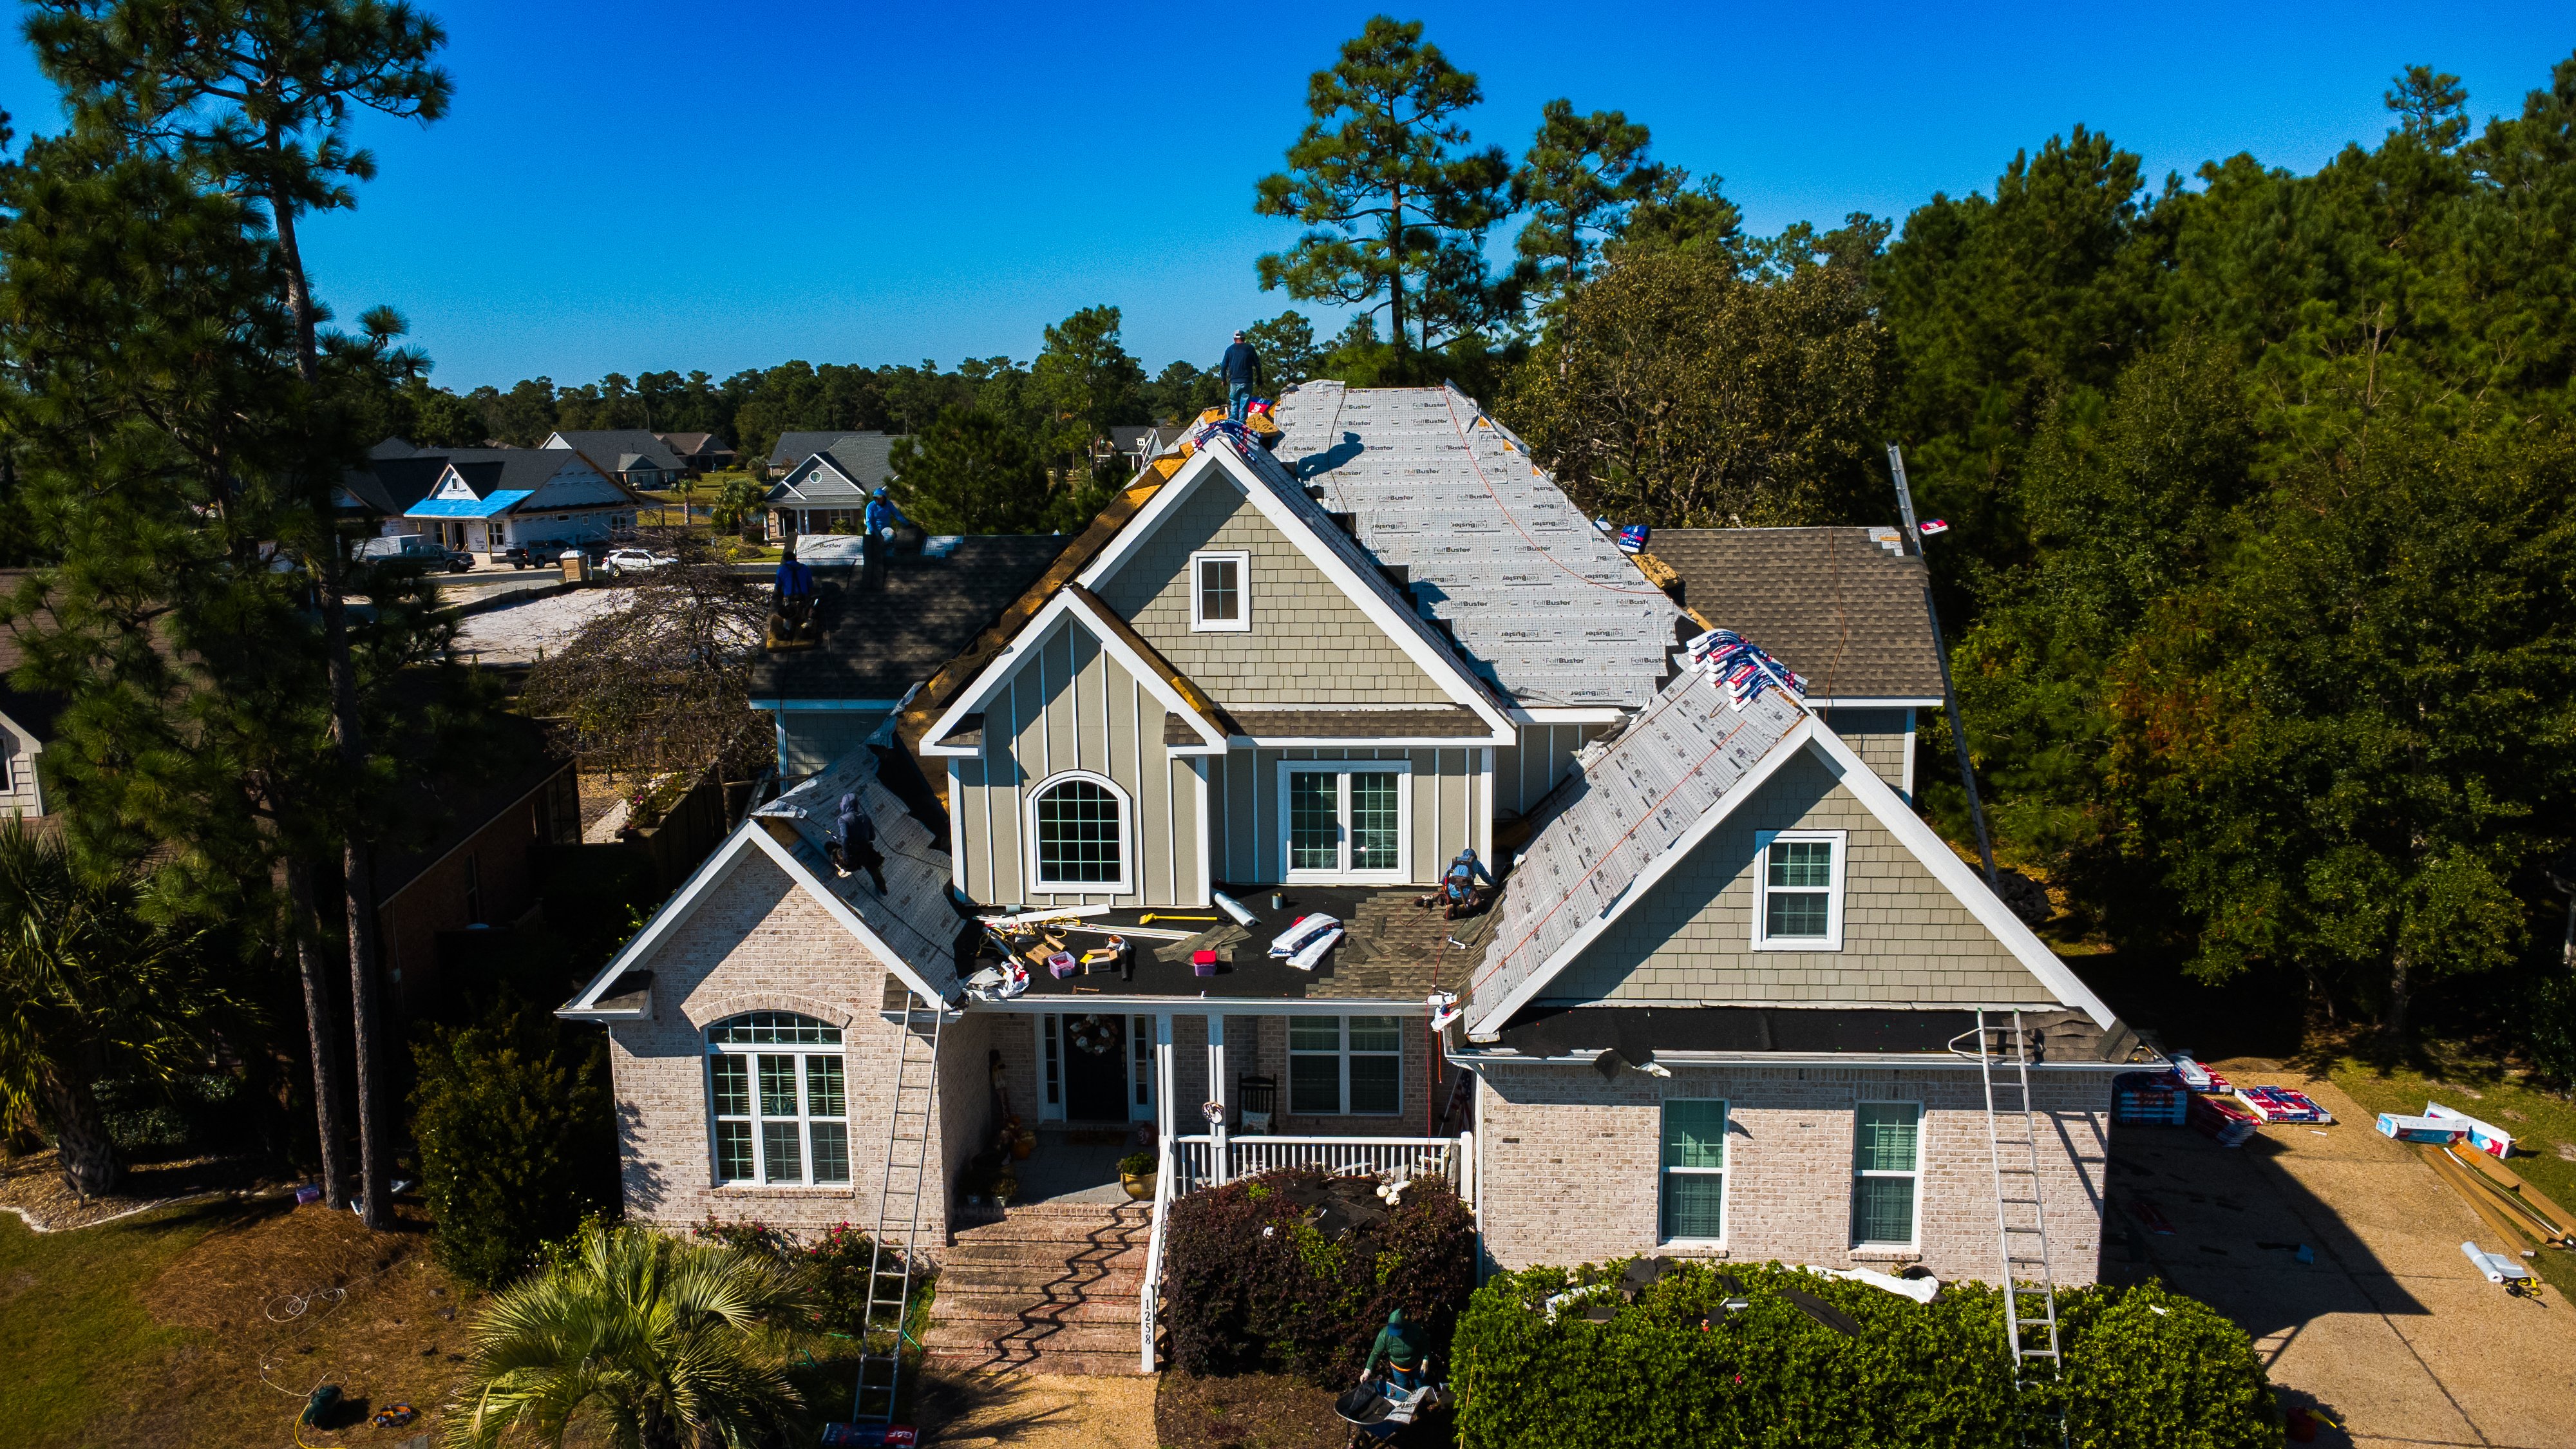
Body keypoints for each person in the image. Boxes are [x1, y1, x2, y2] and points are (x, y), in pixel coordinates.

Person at [827, 790, 886, 892]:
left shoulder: (843, 819)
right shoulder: (866, 817)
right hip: (866, 850)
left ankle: (843, 869)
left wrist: (846, 857)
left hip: (852, 853)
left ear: (845, 805)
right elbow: (872, 837)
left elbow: (845, 838)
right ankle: (883, 891)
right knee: (874, 871)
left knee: (829, 846)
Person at [860, 485, 906, 591]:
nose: (878, 500)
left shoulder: (889, 504)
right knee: (871, 539)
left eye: (880, 498)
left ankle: (881, 545)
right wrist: (875, 533)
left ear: (884, 498)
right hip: (873, 530)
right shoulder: (871, 506)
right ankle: (877, 545)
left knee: (891, 534)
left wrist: (907, 523)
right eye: (876, 498)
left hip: (885, 530)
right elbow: (869, 522)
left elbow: (897, 515)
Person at [1220, 329, 1264, 424]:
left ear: (1234, 339)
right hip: (1247, 381)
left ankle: (1233, 420)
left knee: (1234, 401)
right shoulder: (1250, 348)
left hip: (1234, 381)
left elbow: (1224, 366)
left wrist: (1223, 379)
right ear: (1244, 338)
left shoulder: (1229, 350)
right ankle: (1242, 422)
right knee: (1245, 403)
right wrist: (1259, 378)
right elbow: (1257, 364)